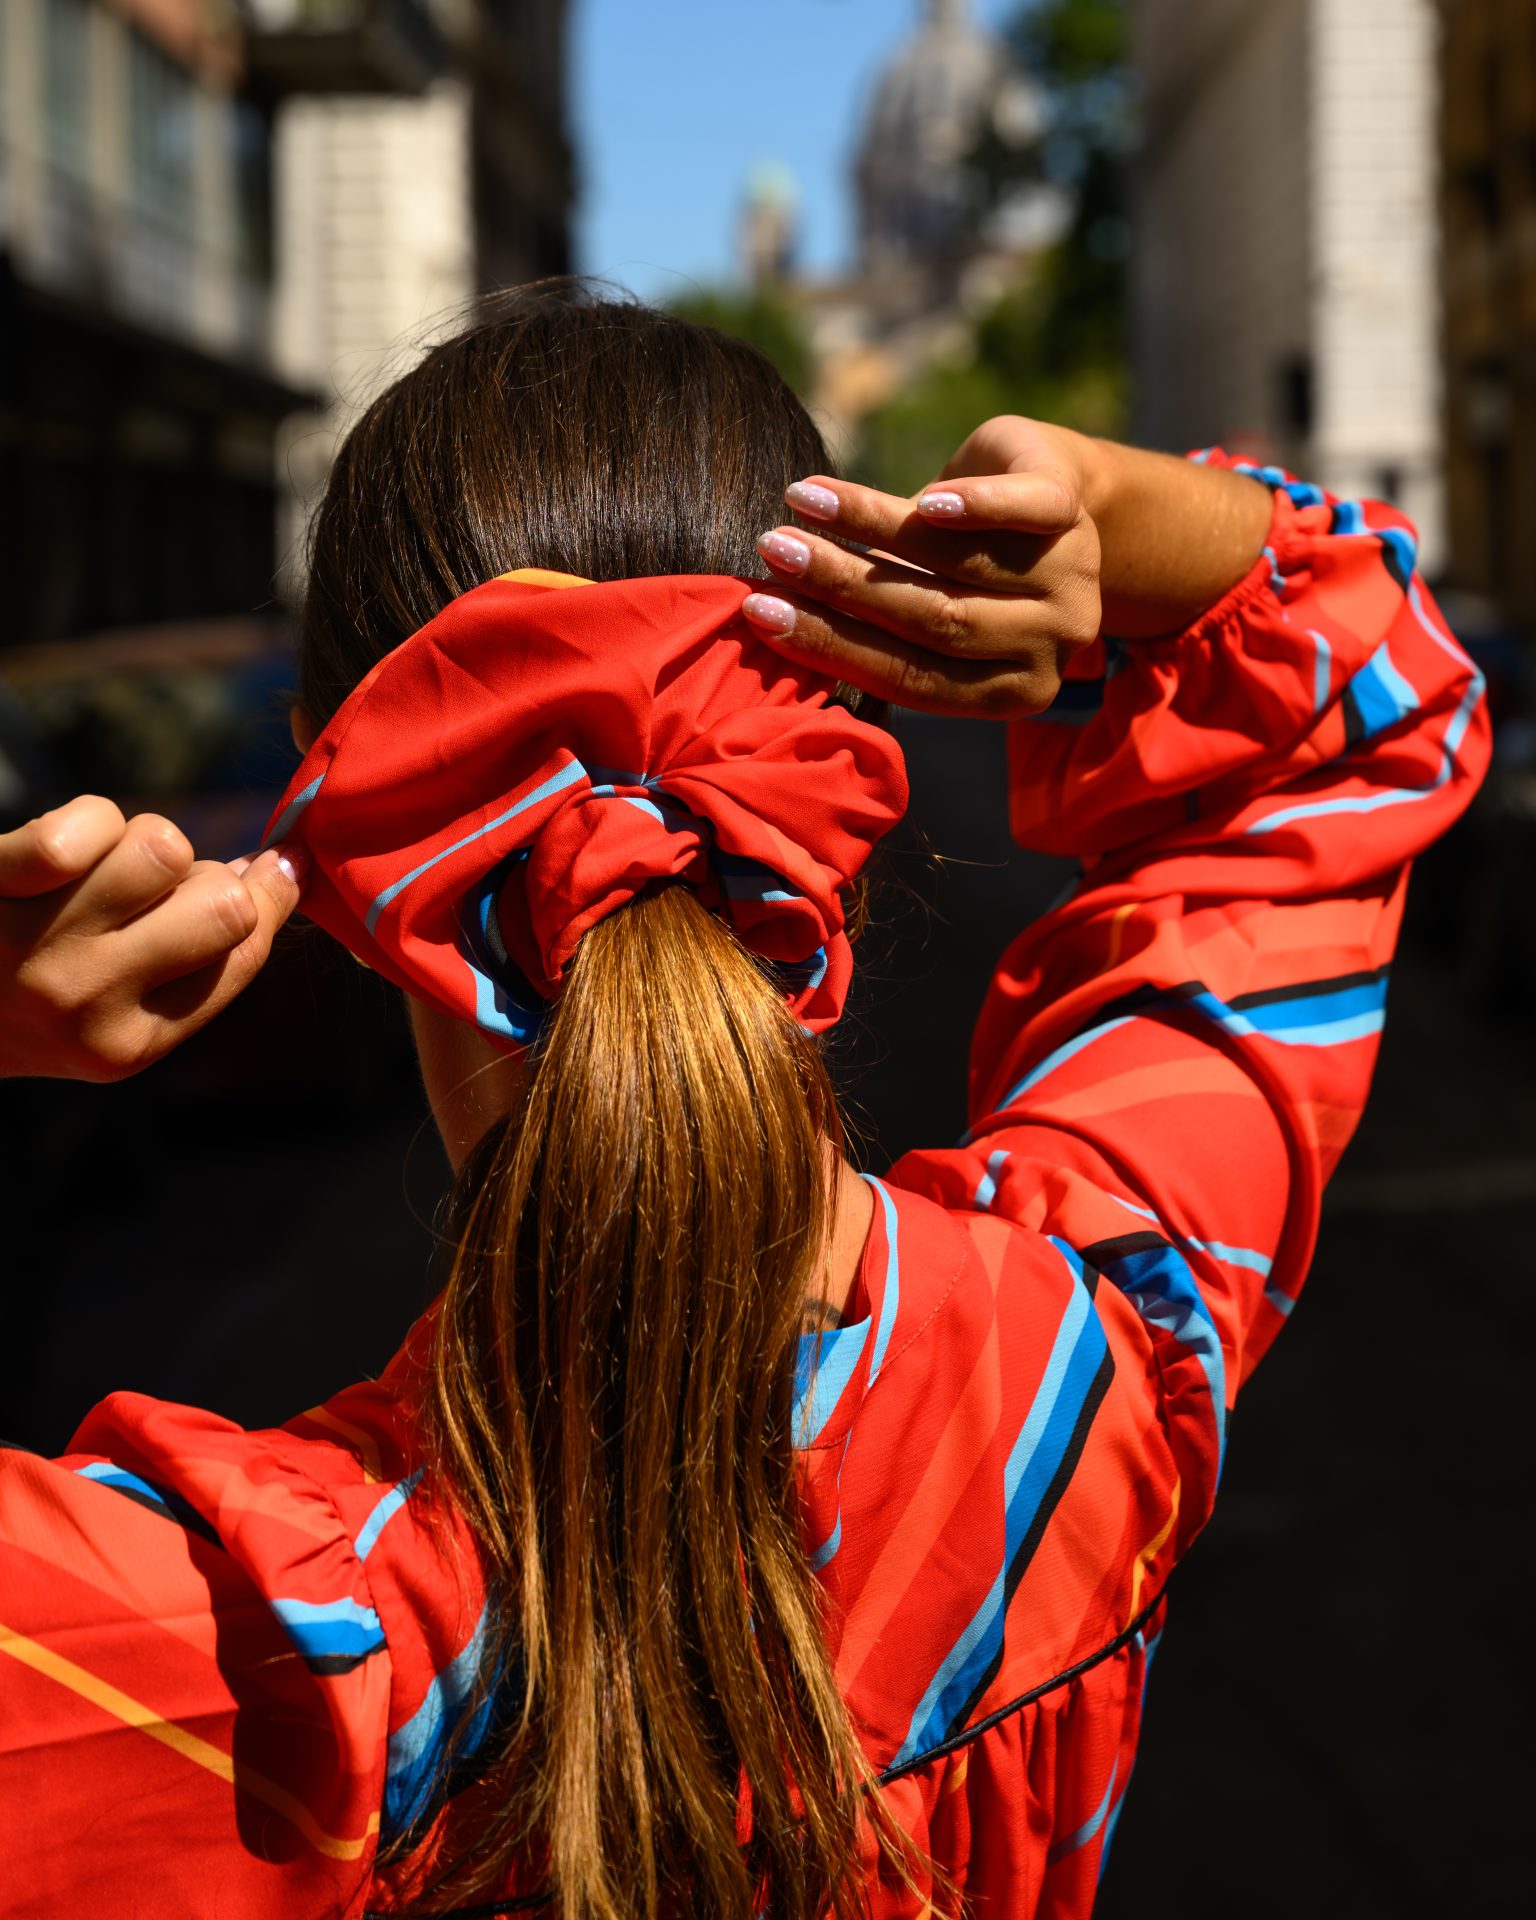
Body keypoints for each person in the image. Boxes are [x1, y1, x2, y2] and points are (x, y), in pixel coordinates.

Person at [0, 290, 1488, 1920]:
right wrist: (1137, 532)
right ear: (839, 733)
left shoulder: (218, 1667)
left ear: (331, 780)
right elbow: (1373, 704)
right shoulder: (1096, 1361)